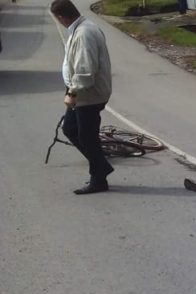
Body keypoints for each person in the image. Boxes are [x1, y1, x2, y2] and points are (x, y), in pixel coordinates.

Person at [51, 0, 114, 194]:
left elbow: (86, 70)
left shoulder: (84, 33)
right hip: (82, 93)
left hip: (88, 94)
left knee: (87, 138)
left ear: (61, 17)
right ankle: (101, 166)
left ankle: (99, 178)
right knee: (70, 128)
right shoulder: (79, 29)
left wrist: (72, 92)